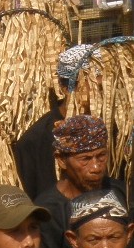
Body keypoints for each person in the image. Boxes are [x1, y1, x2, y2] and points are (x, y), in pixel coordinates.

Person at [35, 115, 126, 248]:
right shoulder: (49, 210)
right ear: (61, 161)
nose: (96, 167)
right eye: (85, 159)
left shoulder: (120, 192)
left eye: (101, 156)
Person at [15, 44, 98, 200]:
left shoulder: (115, 132)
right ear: (65, 87)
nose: (101, 95)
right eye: (93, 87)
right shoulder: (35, 141)